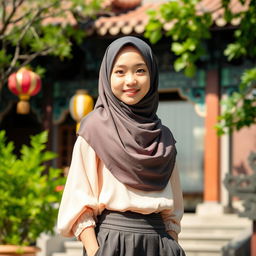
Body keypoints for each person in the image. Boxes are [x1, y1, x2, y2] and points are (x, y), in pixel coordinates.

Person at [57, 36, 186, 256]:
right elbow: (79, 201)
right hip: (112, 244)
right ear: (107, 77)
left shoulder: (163, 137)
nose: (130, 80)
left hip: (160, 245)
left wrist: (170, 244)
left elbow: (172, 212)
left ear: (152, 75)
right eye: (120, 72)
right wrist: (96, 250)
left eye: (140, 71)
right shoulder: (94, 129)